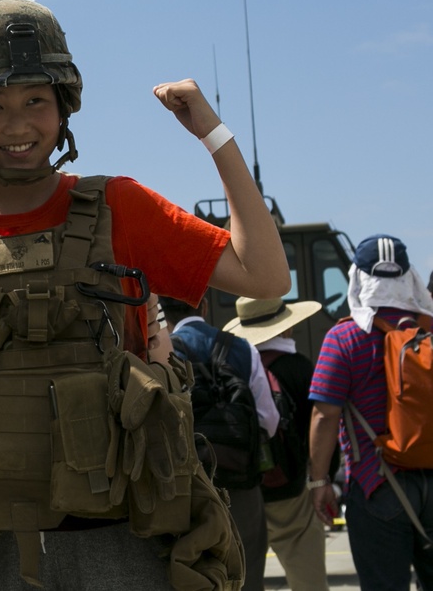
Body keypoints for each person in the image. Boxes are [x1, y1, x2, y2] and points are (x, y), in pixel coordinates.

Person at [0, 0, 289, 590]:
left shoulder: (119, 207)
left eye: (35, 100)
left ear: (63, 107)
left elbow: (266, 277)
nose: (18, 124)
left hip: (119, 541)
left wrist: (213, 136)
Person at [309, 234, 433, 591]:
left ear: (358, 278)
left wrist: (320, 482)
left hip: (377, 483)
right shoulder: (427, 332)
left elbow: (324, 416)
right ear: (409, 277)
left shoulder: (344, 338)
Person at [162, 295, 280, 591]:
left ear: (162, 311)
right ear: (203, 304)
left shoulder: (161, 351)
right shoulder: (242, 348)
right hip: (239, 484)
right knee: (247, 574)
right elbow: (268, 420)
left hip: (183, 491)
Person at [223, 296, 329, 591]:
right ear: (286, 328)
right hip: (289, 490)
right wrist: (321, 477)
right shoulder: (299, 367)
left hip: (242, 490)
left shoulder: (232, 366)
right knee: (308, 577)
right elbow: (320, 424)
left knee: (245, 576)